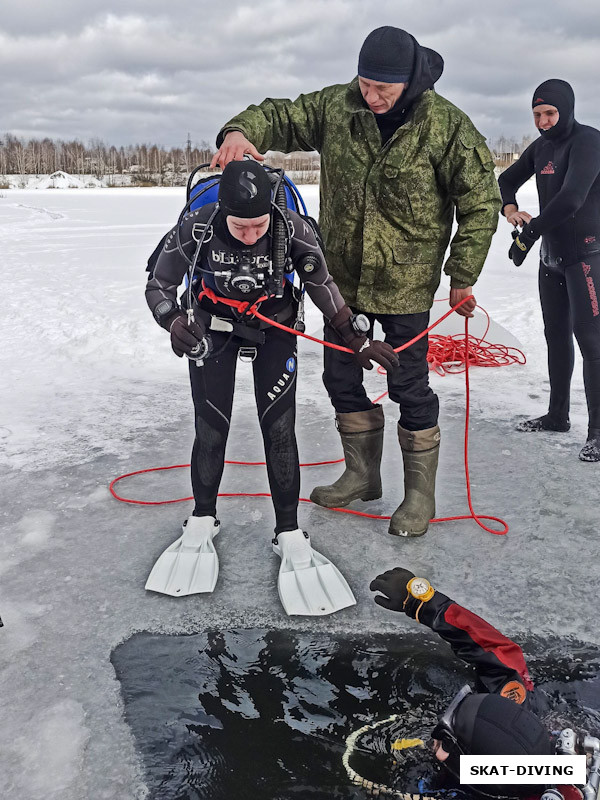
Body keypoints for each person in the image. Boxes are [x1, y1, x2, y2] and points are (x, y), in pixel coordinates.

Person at [211, 25, 501, 537]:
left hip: (406, 284)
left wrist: (463, 274)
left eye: (381, 89)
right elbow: (280, 114)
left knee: (409, 385)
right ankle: (363, 475)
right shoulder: (338, 107)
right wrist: (239, 131)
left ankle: (419, 496)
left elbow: (480, 202)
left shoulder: (447, 126)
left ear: (408, 80)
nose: (370, 97)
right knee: (339, 378)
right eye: (364, 85)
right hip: (341, 283)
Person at [144, 160, 398, 616]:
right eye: (241, 226)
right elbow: (158, 283)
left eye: (258, 225)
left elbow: (323, 287)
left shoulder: (290, 226)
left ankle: (288, 531)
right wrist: (173, 321)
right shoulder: (198, 226)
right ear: (223, 211)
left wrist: (358, 341)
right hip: (212, 329)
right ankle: (202, 519)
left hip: (274, 326)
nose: (250, 234)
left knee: (279, 430)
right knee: (211, 428)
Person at [369, 567, 592, 799]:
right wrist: (423, 603)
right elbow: (500, 656)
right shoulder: (517, 736)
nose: (434, 739)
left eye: (446, 741)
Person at [498, 79, 600, 463]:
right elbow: (506, 180)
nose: (543, 122)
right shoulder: (541, 147)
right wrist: (511, 210)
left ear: (566, 109)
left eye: (549, 113)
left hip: (586, 255)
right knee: (556, 336)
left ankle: (598, 433)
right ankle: (557, 416)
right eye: (537, 114)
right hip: (552, 256)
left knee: (592, 342)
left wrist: (530, 233)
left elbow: (572, 198)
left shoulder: (588, 142)